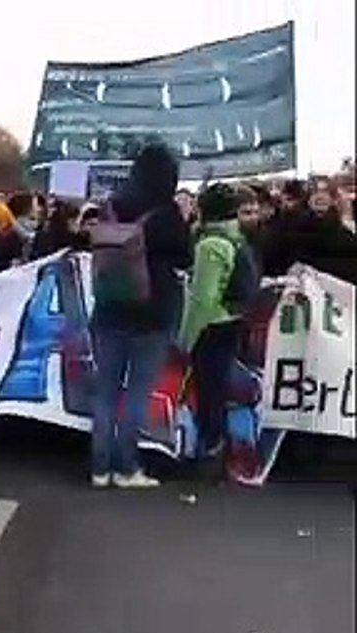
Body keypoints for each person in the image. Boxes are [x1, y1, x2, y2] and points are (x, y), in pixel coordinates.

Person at [88, 144, 193, 489]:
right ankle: (127, 466)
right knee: (136, 392)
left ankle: (99, 467)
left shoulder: (113, 206)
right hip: (153, 312)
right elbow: (185, 257)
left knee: (105, 390)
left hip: (109, 307)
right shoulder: (167, 214)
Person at [178, 184, 261, 462]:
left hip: (213, 325)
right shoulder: (236, 238)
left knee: (209, 392)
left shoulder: (210, 244)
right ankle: (221, 447)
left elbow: (204, 299)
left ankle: (211, 450)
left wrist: (187, 338)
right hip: (233, 319)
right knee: (220, 387)